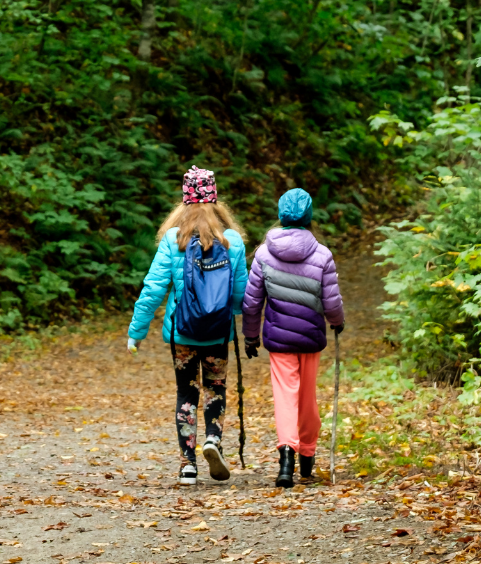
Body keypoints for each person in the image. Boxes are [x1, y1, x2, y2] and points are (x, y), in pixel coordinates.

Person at [125, 167, 249, 486]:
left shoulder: (172, 239)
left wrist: (136, 332)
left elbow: (154, 289)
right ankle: (213, 440)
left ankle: (187, 464)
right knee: (215, 387)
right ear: (215, 201)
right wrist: (248, 329)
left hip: (183, 332)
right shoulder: (232, 241)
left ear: (183, 202)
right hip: (218, 332)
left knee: (186, 391)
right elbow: (240, 294)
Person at [241, 187, 345, 488]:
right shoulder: (323, 255)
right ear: (309, 218)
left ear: (281, 216)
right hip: (310, 337)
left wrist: (250, 337)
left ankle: (286, 456)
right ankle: (307, 459)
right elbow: (332, 301)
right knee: (307, 396)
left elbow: (251, 302)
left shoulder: (263, 254)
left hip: (279, 339)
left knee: (286, 395)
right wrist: (337, 323)